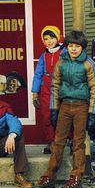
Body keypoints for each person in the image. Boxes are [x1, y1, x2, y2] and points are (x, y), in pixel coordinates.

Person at [34, 30, 95, 188]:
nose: (73, 49)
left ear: (82, 48)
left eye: (77, 46)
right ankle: (50, 176)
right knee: (58, 141)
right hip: (64, 106)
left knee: (78, 143)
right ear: (66, 47)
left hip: (81, 106)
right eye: (71, 46)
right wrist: (53, 109)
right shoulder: (61, 62)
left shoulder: (88, 64)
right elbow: (55, 86)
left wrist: (93, 113)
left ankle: (76, 177)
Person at [31, 25, 62, 154]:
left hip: (61, 87)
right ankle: (51, 142)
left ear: (58, 37)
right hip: (46, 90)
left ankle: (68, 141)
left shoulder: (65, 52)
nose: (49, 41)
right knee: (47, 116)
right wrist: (34, 93)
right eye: (46, 39)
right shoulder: (44, 56)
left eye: (51, 38)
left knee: (63, 115)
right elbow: (38, 74)